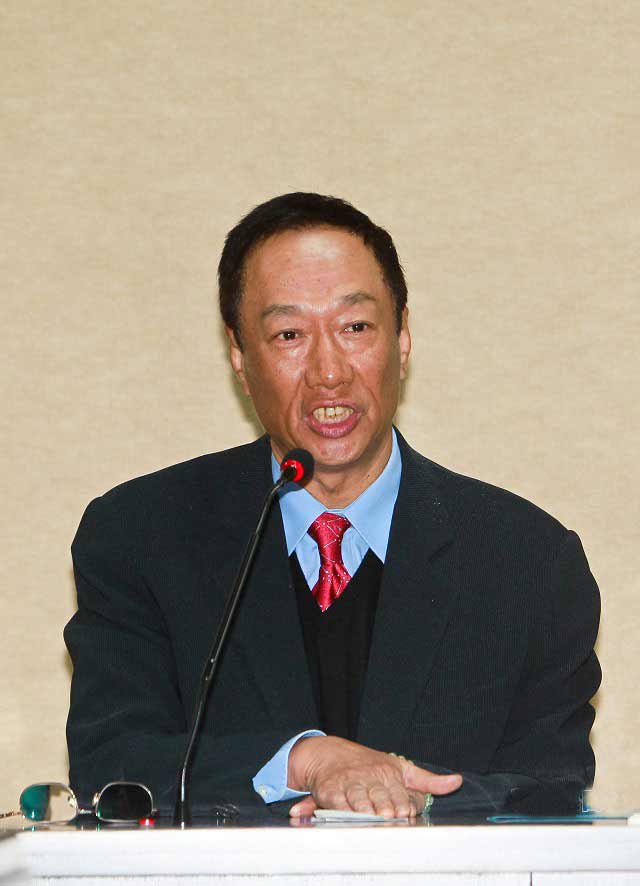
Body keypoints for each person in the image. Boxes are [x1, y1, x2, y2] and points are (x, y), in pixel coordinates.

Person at [65, 192, 601, 819]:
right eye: (289, 334)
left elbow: (551, 792)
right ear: (240, 356)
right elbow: (112, 767)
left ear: (402, 337)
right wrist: (303, 761)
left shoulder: (530, 561)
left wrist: (407, 803)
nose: (328, 372)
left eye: (355, 328)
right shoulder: (139, 537)